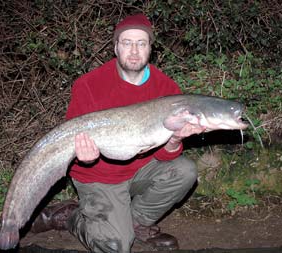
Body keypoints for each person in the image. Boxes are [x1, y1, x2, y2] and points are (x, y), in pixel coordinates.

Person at [32, 13, 204, 253]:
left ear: (150, 49)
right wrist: (86, 156)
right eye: (127, 43)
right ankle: (72, 217)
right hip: (98, 175)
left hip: (139, 169)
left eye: (141, 43)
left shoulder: (167, 89)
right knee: (115, 247)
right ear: (115, 47)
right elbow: (75, 146)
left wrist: (175, 139)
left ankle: (136, 223)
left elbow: (166, 157)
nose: (134, 50)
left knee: (185, 171)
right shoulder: (89, 84)